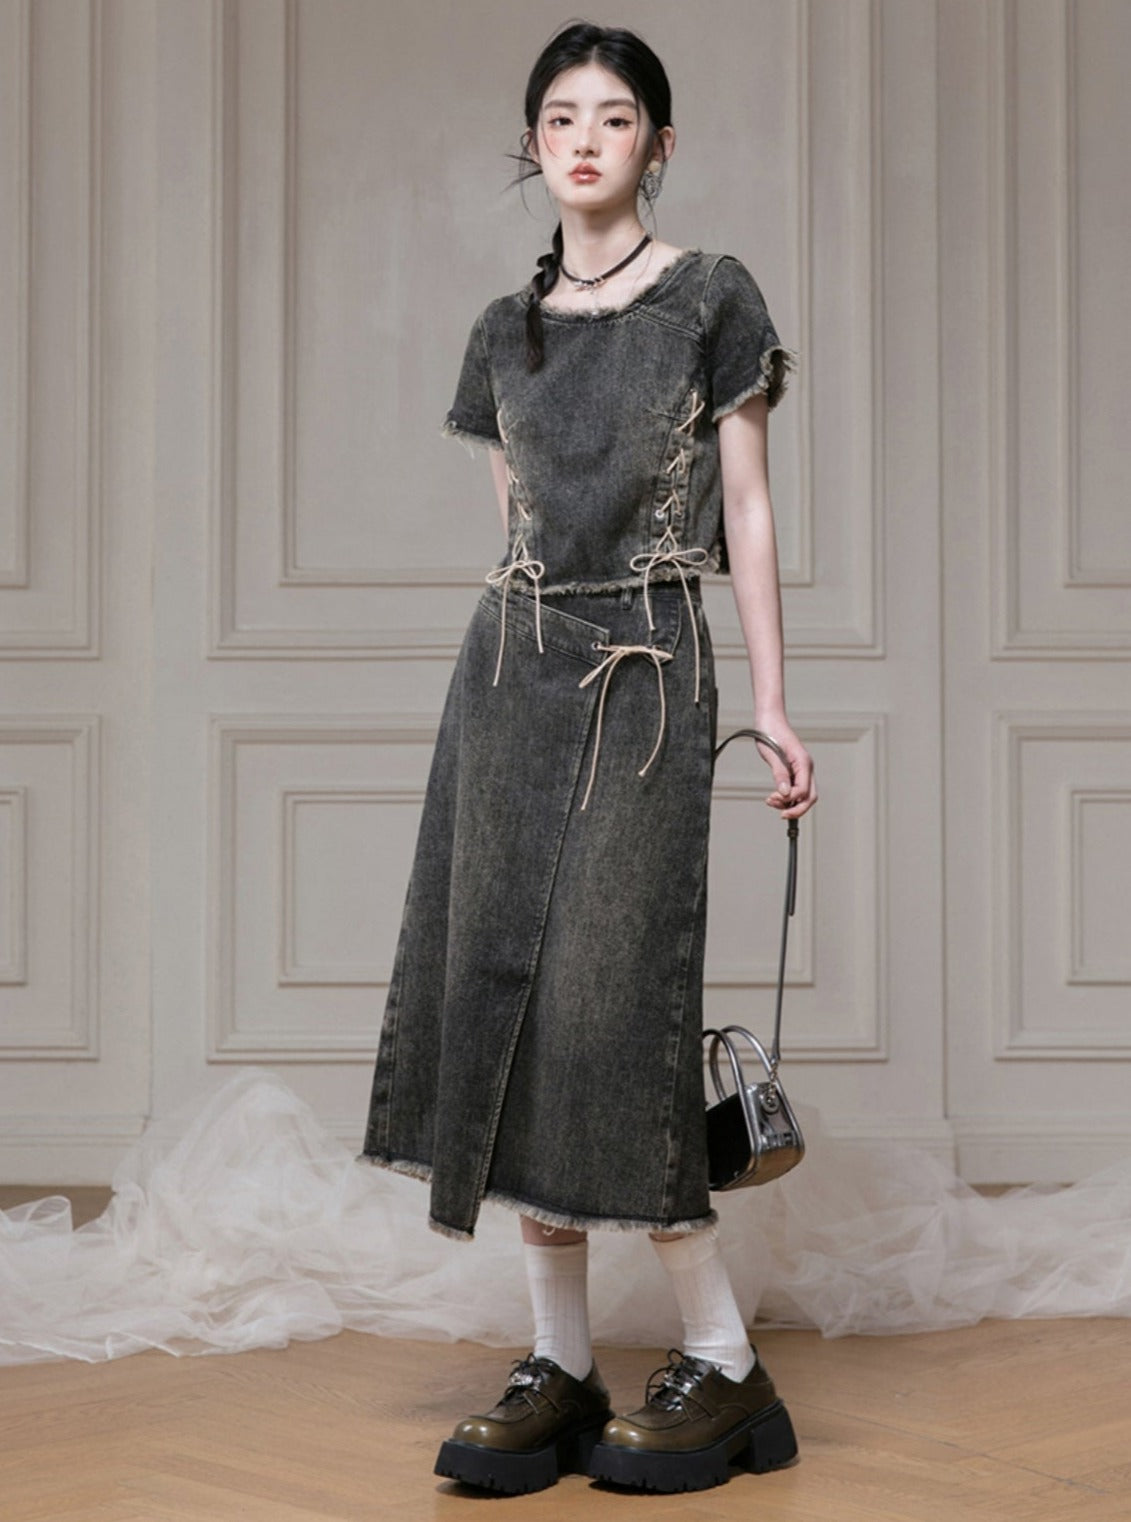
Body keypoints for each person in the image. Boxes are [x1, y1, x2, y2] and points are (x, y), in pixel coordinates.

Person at [356, 18, 817, 1497]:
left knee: (615, 1006)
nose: (584, 138)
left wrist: (775, 703)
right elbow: (518, 529)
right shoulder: (505, 330)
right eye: (561, 116)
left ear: (657, 146)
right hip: (511, 674)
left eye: (615, 117)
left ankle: (726, 1362)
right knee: (503, 990)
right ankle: (558, 1364)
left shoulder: (712, 297)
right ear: (533, 141)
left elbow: (748, 510)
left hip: (649, 672)